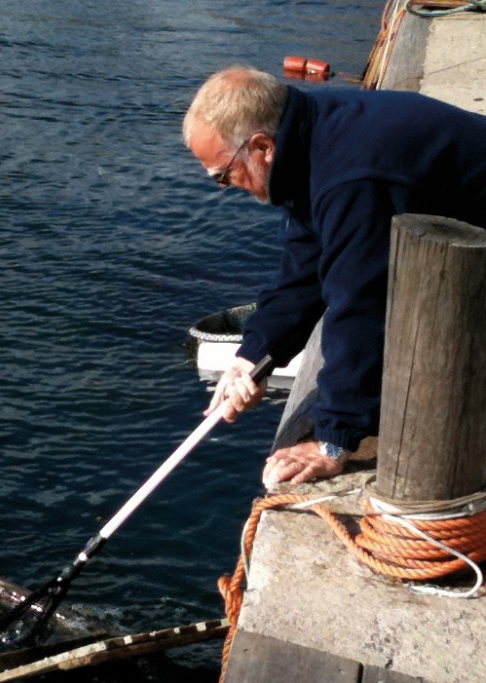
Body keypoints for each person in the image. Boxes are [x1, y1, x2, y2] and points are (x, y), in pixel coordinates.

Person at [182, 66, 486, 486]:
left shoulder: (350, 178)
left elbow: (361, 302)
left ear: (262, 146)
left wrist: (333, 439)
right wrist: (252, 356)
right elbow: (304, 267)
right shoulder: (309, 136)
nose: (226, 186)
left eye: (223, 174)